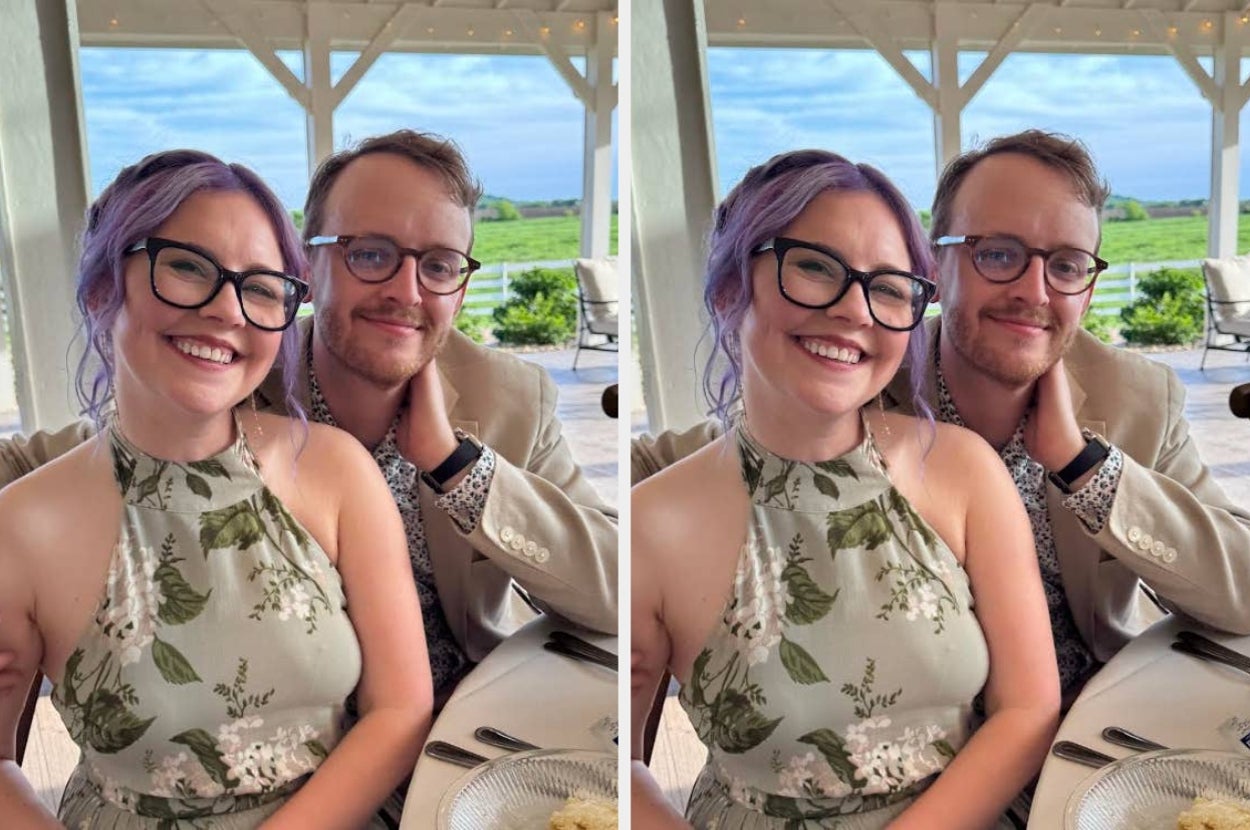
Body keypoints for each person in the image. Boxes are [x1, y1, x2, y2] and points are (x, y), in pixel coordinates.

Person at [634, 129, 1250, 705]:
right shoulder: (860, 374)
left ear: (1086, 288)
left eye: (1065, 266)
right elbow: (690, 460)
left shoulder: (1137, 398)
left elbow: (1241, 589)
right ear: (935, 266)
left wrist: (1086, 469)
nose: (1034, 292)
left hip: (1094, 732)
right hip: (917, 741)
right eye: (999, 254)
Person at [0, 129, 618, 702]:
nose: (406, 292)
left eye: (438, 266)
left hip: (471, 734)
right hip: (292, 739)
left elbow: (617, 589)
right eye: (370, 254)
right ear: (308, 267)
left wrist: (457, 468)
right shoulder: (230, 373)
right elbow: (76, 457)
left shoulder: (508, 396)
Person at [0, 150, 432, 827]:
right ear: (101, 290)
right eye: (187, 267)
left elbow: (401, 709)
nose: (227, 309)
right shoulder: (21, 528)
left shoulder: (336, 471)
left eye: (261, 287)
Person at [631, 150, 1059, 829]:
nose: (854, 310)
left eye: (888, 287)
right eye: (814, 267)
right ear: (727, 291)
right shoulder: (651, 525)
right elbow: (607, 757)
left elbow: (1028, 708)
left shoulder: (964, 471)